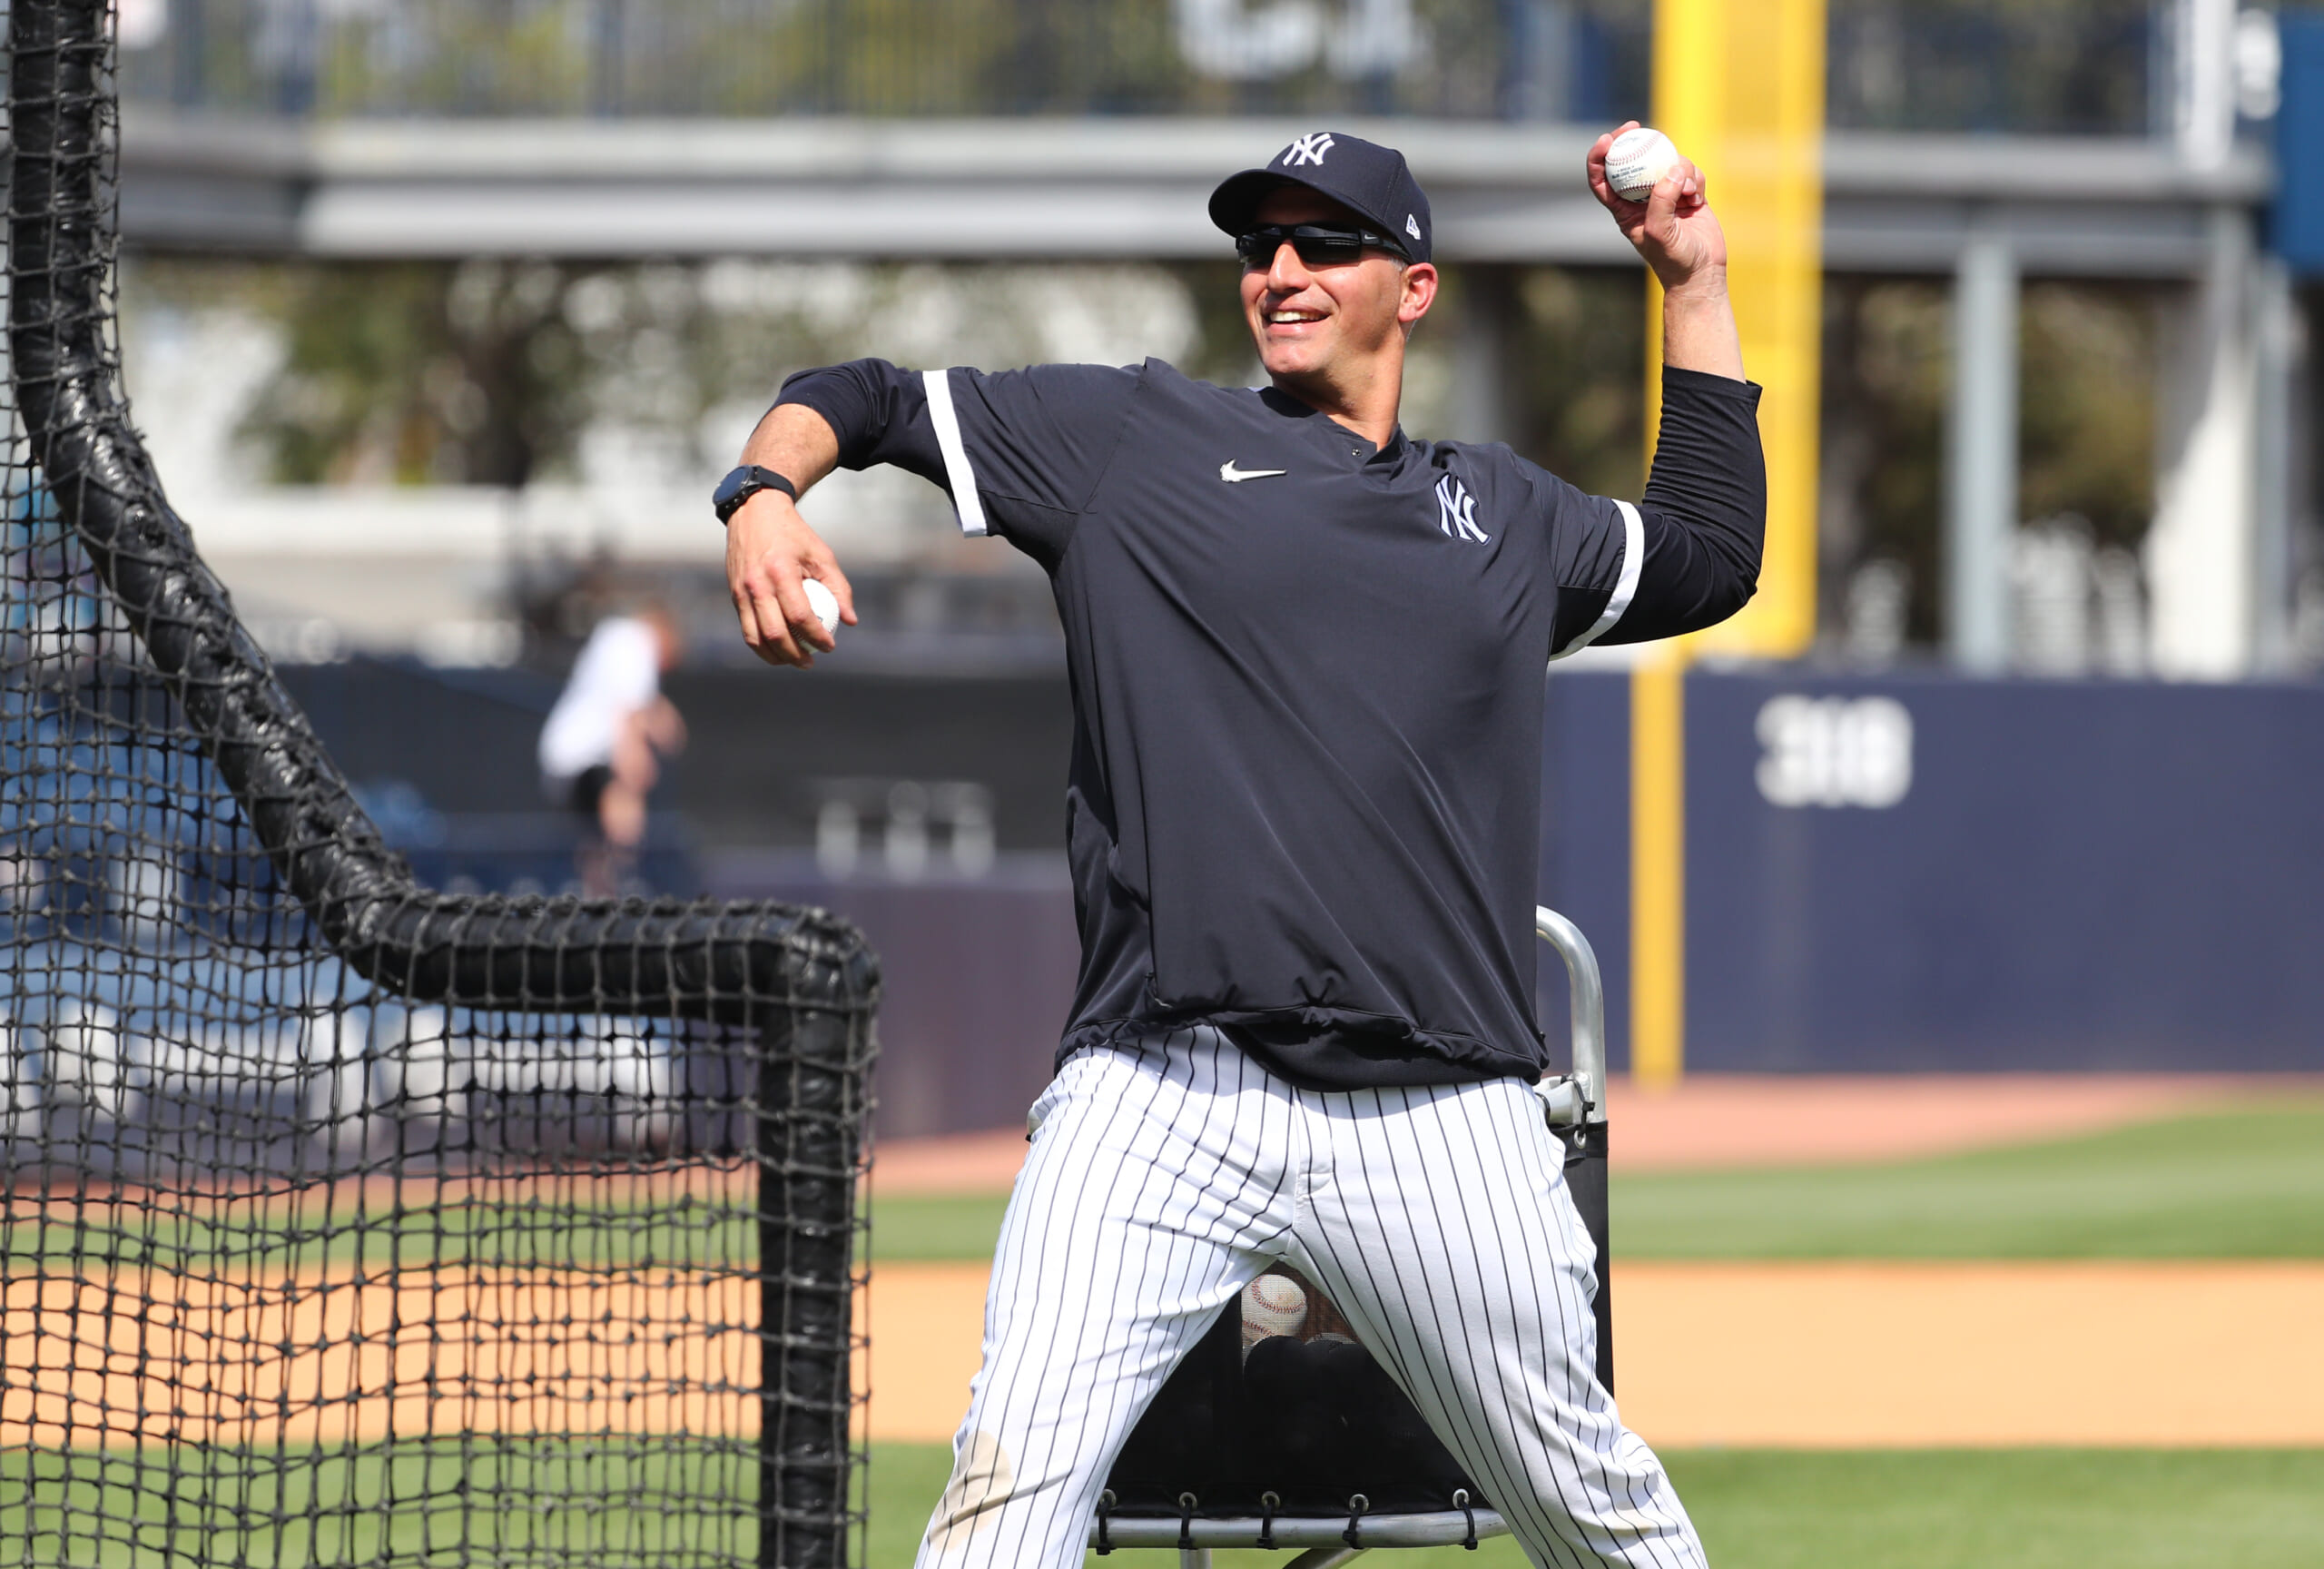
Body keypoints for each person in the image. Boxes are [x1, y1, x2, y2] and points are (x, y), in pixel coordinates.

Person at [717, 123, 1760, 1569]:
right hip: (1161, 1090)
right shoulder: (1132, 443)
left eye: (1324, 242)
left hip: (1441, 1116)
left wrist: (1690, 279)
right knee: (1001, 1499)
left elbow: (1710, 554)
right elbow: (864, 395)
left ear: (1414, 285)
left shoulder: (1505, 514)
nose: (1280, 269)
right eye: (1259, 244)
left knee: (1610, 1520)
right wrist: (762, 497)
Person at [537, 604, 686, 895]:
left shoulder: (614, 637)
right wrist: (636, 763)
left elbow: (637, 704)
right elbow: (628, 713)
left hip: (562, 756)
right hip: (583, 758)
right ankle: (624, 881)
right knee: (623, 798)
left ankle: (599, 895)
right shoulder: (636, 642)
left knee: (595, 840)